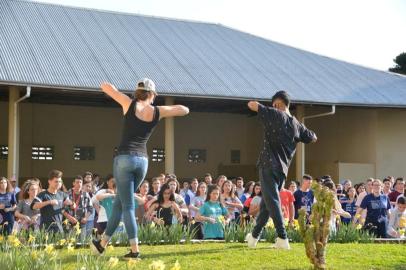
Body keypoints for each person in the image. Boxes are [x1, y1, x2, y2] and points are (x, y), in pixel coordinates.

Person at [91, 79, 189, 259]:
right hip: (142, 162)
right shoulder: (157, 111)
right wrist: (162, 108)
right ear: (152, 94)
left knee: (127, 206)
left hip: (124, 159)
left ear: (138, 93)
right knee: (120, 204)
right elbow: (184, 110)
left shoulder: (129, 103)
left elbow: (108, 89)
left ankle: (135, 250)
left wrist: (107, 85)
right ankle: (101, 244)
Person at [245, 91, 317, 250]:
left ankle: (282, 237)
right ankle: (254, 237)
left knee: (272, 201)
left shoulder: (274, 114)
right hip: (282, 170)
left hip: (268, 165)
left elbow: (252, 105)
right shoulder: (296, 124)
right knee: (267, 203)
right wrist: (297, 125)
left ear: (278, 104)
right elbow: (312, 137)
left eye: (274, 104)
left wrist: (265, 108)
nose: (273, 106)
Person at [65, 176, 93, 242]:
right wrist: (70, 218)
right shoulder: (67, 194)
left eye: (80, 182)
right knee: (71, 243)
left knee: (82, 244)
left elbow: (90, 208)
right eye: (77, 182)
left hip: (82, 223)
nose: (79, 184)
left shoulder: (85, 194)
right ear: (73, 183)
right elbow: (62, 209)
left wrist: (86, 218)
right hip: (70, 223)